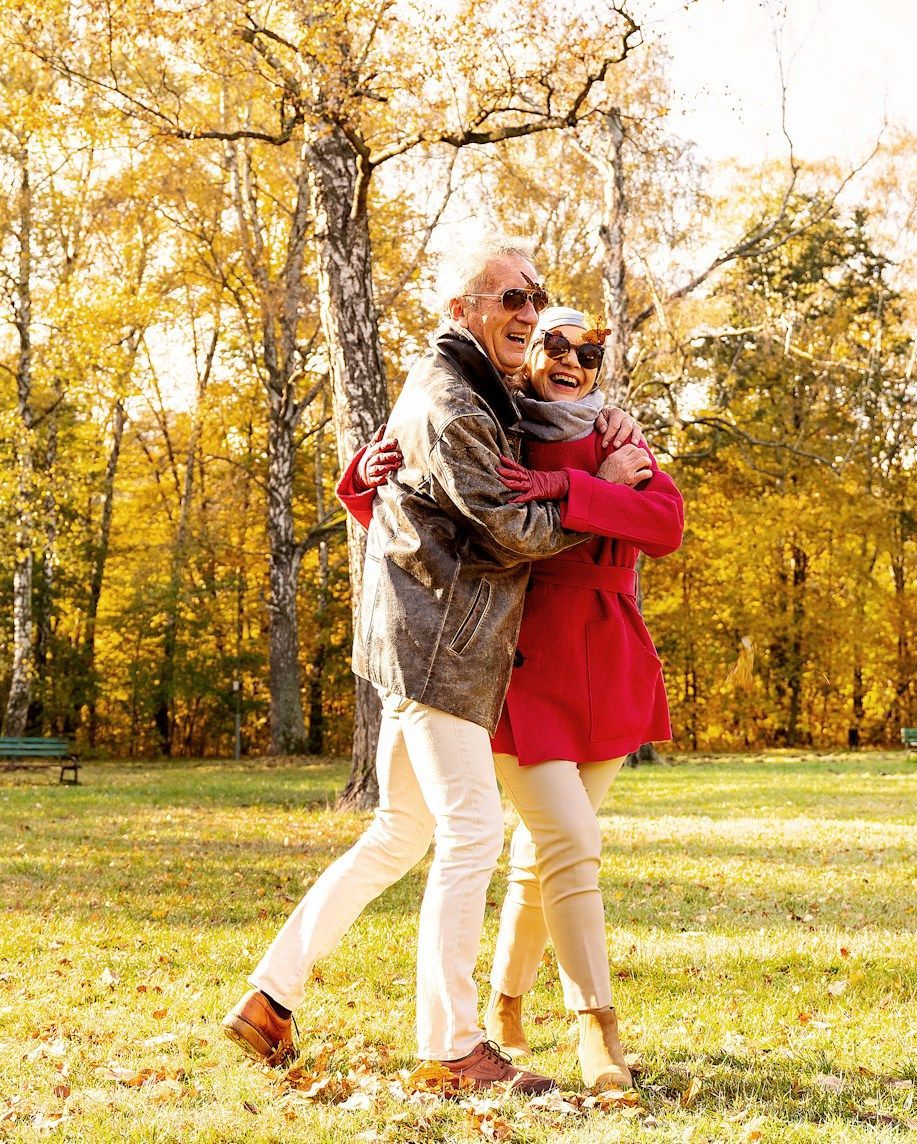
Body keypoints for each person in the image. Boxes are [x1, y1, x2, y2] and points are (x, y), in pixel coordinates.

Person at [221, 237, 641, 1094]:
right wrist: (603, 487)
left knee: (398, 833)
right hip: (442, 647)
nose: (528, 311)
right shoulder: (455, 402)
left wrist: (605, 437)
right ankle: (454, 1048)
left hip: (415, 642)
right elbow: (511, 529)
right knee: (472, 835)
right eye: (508, 298)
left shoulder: (476, 390)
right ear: (460, 311)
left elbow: (405, 487)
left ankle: (269, 998)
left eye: (536, 296)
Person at [337, 305, 683, 1091]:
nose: (569, 361)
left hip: (608, 662)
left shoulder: (617, 437)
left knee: (544, 853)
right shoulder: (497, 431)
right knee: (569, 842)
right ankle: (597, 1029)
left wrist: (573, 482)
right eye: (551, 345)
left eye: (586, 352)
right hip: (517, 663)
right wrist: (358, 482)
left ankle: (504, 1005)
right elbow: (422, 523)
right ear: (525, 356)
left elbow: (664, 524)